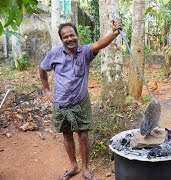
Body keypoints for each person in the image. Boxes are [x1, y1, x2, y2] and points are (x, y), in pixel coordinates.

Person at [39, 20, 122, 180]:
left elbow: (99, 44)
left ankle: (85, 168)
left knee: (83, 136)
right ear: (61, 39)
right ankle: (73, 166)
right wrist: (46, 90)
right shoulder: (54, 54)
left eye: (72, 35)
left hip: (80, 102)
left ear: (77, 36)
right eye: (65, 37)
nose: (69, 39)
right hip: (61, 103)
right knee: (67, 135)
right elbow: (42, 68)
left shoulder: (85, 52)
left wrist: (114, 33)